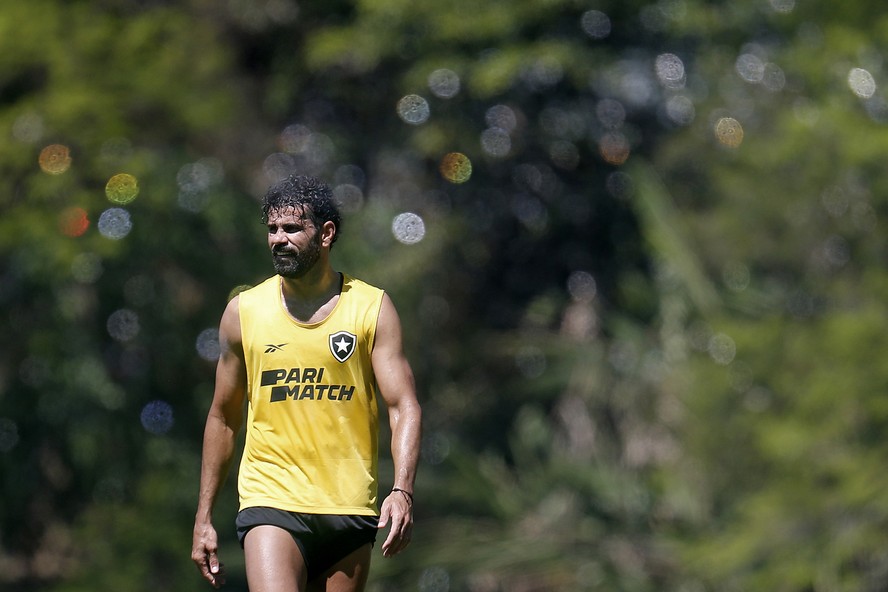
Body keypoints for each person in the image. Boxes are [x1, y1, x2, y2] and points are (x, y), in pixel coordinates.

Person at [191, 174, 422, 591]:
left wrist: (401, 490)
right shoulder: (243, 313)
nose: (279, 239)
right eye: (272, 229)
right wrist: (203, 516)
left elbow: (402, 405)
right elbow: (223, 418)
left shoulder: (372, 308)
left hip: (348, 505)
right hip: (271, 499)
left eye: (293, 228)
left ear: (326, 233)